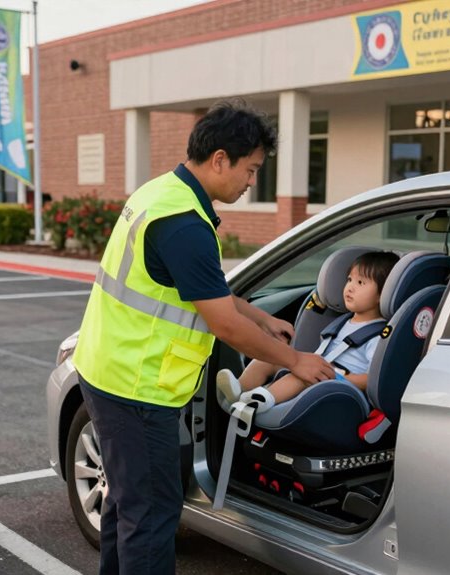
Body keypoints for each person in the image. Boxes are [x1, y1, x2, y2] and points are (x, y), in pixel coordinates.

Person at [71, 99, 334, 575]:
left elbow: (201, 290)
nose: (252, 181)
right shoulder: (184, 224)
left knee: (127, 506)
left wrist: (259, 316)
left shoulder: (161, 193)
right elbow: (223, 324)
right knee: (150, 516)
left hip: (109, 369)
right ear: (219, 160)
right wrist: (295, 360)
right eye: (250, 169)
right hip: (138, 387)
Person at [215, 251, 400, 411]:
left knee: (304, 376)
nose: (350, 287)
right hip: (326, 371)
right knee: (272, 357)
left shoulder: (379, 334)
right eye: (350, 280)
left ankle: (259, 401)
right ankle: (239, 390)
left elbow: (372, 379)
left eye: (361, 283)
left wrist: (340, 377)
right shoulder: (343, 321)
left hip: (343, 386)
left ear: (383, 294)